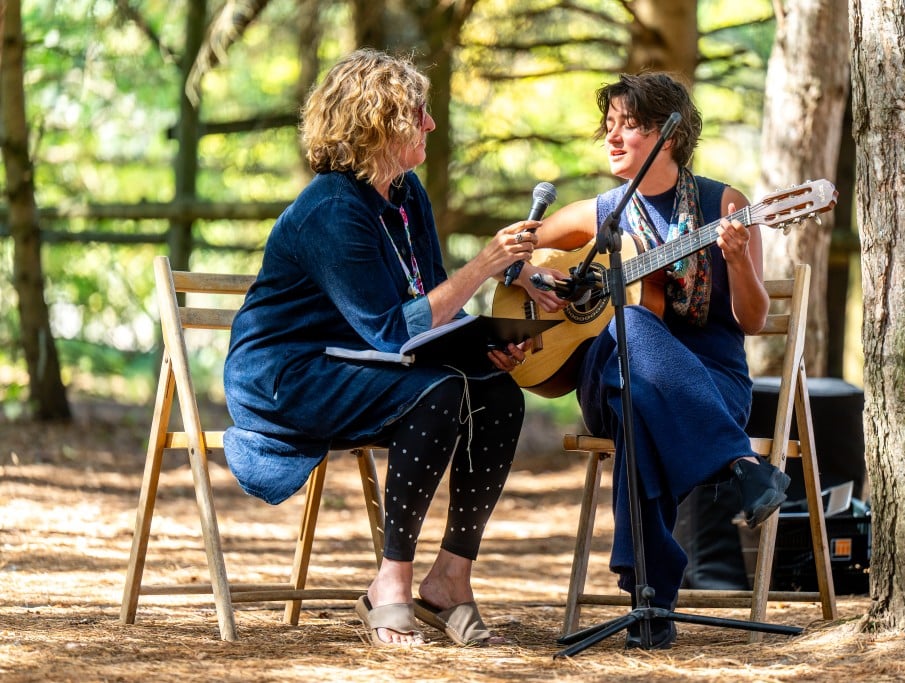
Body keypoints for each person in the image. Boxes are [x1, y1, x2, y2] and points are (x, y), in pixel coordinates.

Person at [221, 49, 539, 648]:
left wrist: (484, 349)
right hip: (286, 378)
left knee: (499, 395)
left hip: (360, 363)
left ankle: (450, 579)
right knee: (438, 393)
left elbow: (430, 308)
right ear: (379, 122)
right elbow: (394, 331)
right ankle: (389, 585)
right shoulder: (330, 208)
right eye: (419, 112)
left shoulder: (407, 193)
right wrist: (487, 263)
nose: (431, 124)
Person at [511, 72, 790, 649]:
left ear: (670, 134)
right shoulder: (603, 212)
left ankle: (650, 599)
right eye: (608, 126)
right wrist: (532, 274)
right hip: (605, 370)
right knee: (630, 322)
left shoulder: (723, 206)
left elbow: (754, 321)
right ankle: (738, 464)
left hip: (711, 383)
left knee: (638, 409)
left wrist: (737, 262)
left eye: (629, 126)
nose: (612, 139)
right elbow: (515, 246)